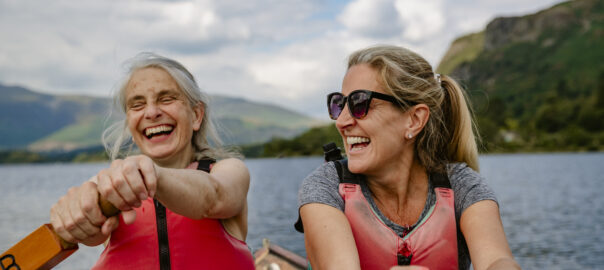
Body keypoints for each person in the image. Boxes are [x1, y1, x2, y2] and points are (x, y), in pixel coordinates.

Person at [296, 45, 520, 270]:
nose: (342, 122)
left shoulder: (461, 183)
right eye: (339, 104)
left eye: (359, 103)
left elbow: (497, 261)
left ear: (414, 119)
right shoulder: (325, 187)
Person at [49, 53, 255, 269]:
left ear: (196, 115)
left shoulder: (229, 171)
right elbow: (91, 235)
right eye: (137, 105)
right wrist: (72, 213)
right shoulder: (109, 185)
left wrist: (153, 174)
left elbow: (215, 197)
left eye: (166, 99)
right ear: (130, 122)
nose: (152, 113)